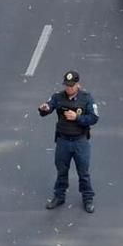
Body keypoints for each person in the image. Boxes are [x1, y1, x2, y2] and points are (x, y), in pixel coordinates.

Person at [39, 70, 99, 213]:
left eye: (72, 85)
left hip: (80, 141)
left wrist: (77, 118)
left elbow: (94, 118)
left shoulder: (87, 98)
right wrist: (44, 109)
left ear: (78, 84)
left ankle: (88, 198)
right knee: (61, 170)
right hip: (63, 141)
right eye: (67, 85)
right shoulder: (58, 97)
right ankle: (59, 196)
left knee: (83, 172)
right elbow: (48, 107)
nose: (69, 88)